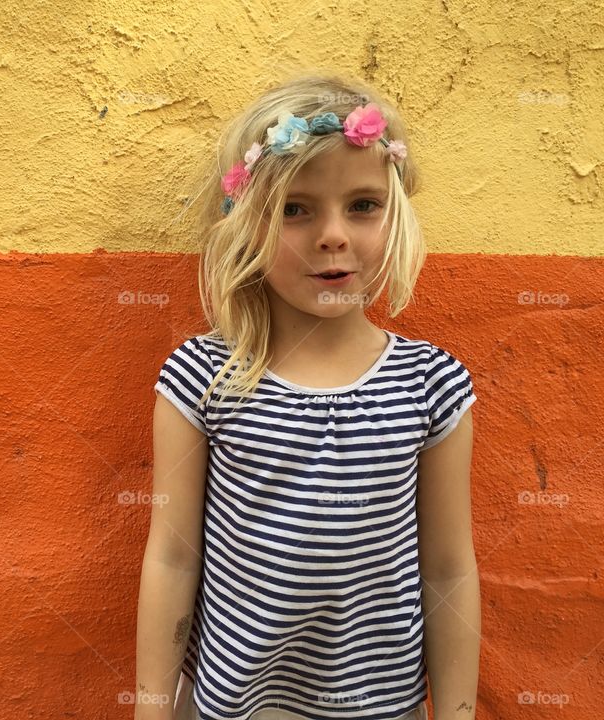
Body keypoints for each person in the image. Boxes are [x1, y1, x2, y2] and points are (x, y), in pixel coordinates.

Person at [134, 71, 480, 720]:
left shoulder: (432, 385)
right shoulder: (203, 378)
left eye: (363, 205)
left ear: (394, 213)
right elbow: (174, 559)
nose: (333, 235)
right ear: (245, 222)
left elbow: (447, 568)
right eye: (295, 208)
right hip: (238, 707)